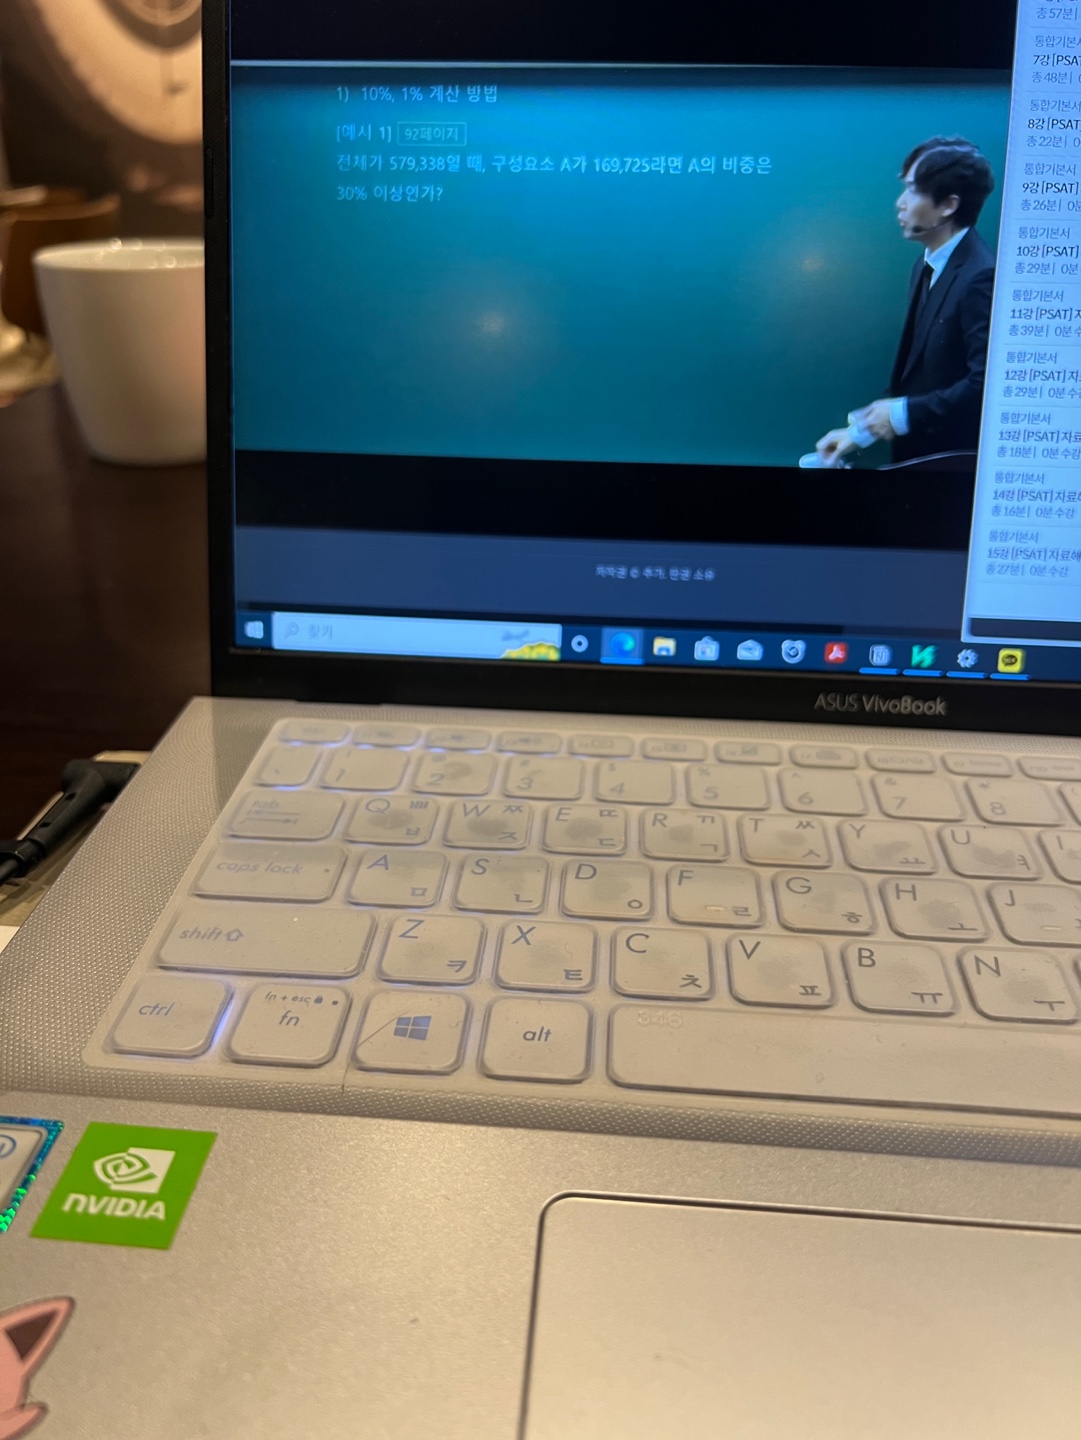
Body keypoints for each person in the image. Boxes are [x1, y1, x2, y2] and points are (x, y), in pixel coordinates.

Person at [816, 137, 996, 467]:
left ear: (948, 205)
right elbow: (918, 378)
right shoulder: (926, 265)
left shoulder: (980, 276)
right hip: (917, 461)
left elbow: (986, 386)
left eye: (913, 191)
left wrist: (901, 415)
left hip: (949, 469)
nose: (900, 203)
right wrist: (857, 433)